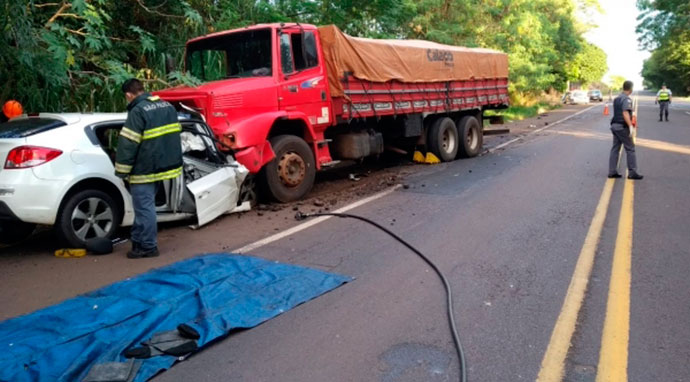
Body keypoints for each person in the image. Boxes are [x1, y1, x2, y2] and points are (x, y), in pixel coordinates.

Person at [115, 79, 183, 258]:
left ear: (129, 95)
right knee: (144, 207)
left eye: (126, 97)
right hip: (161, 167)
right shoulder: (166, 106)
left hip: (143, 170)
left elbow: (128, 144)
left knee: (145, 208)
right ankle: (138, 241)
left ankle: (148, 246)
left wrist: (122, 171)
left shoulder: (137, 111)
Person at [608, 80, 643, 180]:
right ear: (631, 89)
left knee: (615, 148)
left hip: (614, 125)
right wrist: (630, 126)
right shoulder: (626, 99)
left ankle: (612, 171)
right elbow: (625, 113)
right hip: (622, 127)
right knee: (630, 148)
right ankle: (632, 172)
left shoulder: (617, 98)